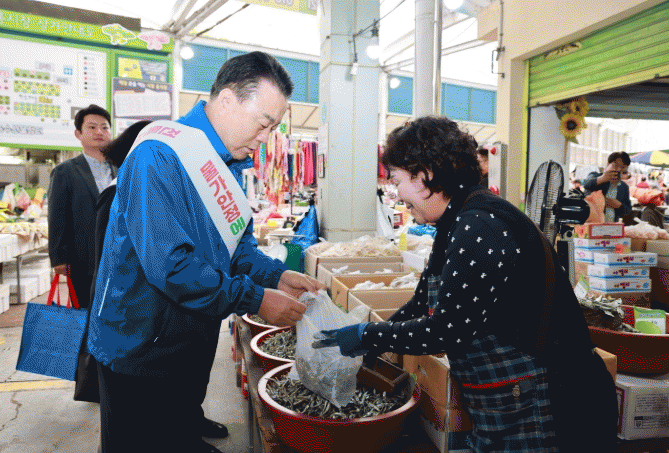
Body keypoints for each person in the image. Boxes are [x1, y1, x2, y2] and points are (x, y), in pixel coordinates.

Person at [313, 116, 618, 453]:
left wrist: (368, 336)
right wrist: (374, 340)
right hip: (509, 398)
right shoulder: (457, 220)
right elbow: (420, 304)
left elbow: (447, 330)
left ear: (425, 174)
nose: (397, 194)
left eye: (397, 180)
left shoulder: (479, 224)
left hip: (549, 400)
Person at [87, 52, 324, 453]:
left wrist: (276, 276)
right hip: (141, 344)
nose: (265, 139)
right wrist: (256, 299)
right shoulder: (159, 156)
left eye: (272, 128)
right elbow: (171, 266)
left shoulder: (226, 161)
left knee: (176, 432)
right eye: (263, 124)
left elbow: (237, 249)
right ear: (228, 101)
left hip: (188, 337)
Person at [47, 104, 114, 402]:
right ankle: (89, 384)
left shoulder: (120, 168)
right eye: (92, 127)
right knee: (86, 318)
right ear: (78, 134)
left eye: (105, 127)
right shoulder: (65, 171)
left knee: (113, 318)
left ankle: (113, 379)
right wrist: (59, 258)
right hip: (83, 259)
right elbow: (57, 216)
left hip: (117, 259)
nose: (100, 132)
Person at [583, 151, 632, 223]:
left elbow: (628, 210)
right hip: (593, 224)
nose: (619, 169)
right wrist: (604, 178)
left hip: (613, 226)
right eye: (616, 165)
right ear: (608, 164)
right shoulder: (596, 176)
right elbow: (586, 184)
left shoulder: (624, 187)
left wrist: (619, 206)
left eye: (623, 167)